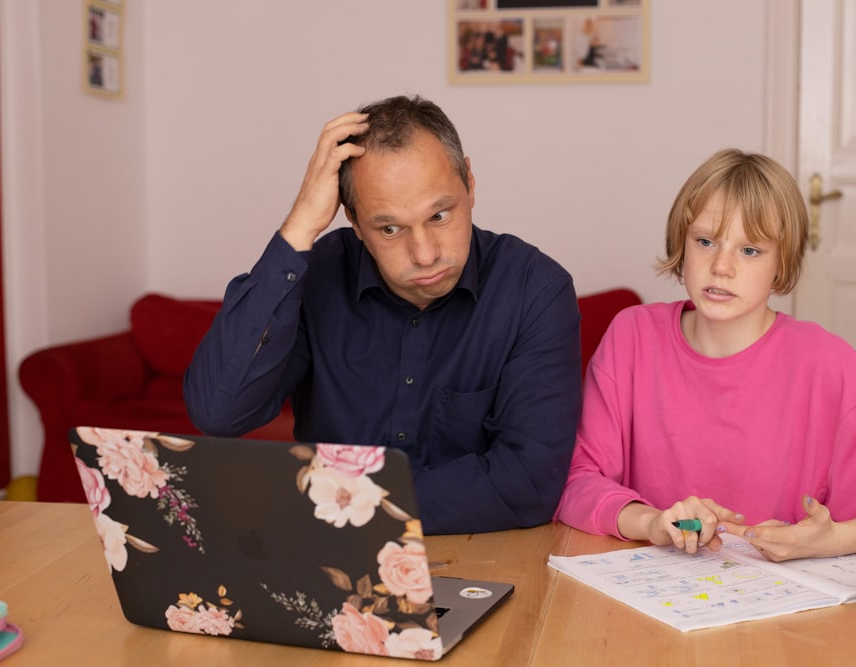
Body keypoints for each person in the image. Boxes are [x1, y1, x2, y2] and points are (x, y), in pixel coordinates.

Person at [554, 148, 856, 562]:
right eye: (705, 241)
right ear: (681, 244)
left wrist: (837, 539)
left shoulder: (828, 365)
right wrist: (651, 523)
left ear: (782, 263)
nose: (722, 267)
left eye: (750, 250)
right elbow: (574, 480)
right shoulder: (632, 336)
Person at [184, 95, 583, 535]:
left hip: (483, 554)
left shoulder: (535, 289)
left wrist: (356, 503)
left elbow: (528, 483)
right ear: (353, 220)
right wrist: (299, 226)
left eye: (440, 214)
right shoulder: (313, 278)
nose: (426, 254)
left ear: (469, 182)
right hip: (331, 558)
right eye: (389, 228)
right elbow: (219, 413)